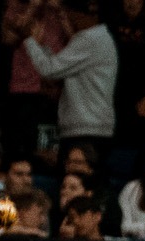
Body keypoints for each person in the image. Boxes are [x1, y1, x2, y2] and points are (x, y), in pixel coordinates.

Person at [22, 0, 118, 153]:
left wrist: (30, 40)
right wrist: (42, 48)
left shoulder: (90, 39)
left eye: (66, 13)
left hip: (87, 130)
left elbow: (49, 70)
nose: (65, 18)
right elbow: (59, 68)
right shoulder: (98, 37)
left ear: (76, 14)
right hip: (89, 128)